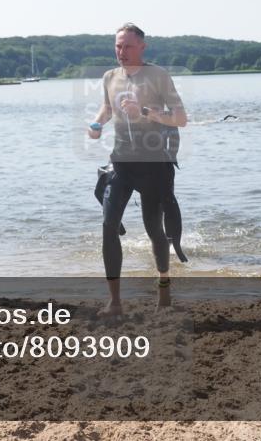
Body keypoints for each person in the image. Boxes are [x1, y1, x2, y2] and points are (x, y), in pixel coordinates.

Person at [87, 23, 188, 317]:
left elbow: (180, 118)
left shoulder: (158, 76)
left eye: (128, 46)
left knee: (154, 229)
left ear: (142, 47)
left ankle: (164, 290)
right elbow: (107, 108)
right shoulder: (110, 77)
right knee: (108, 226)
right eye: (118, 46)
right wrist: (96, 124)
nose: (122, 52)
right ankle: (115, 302)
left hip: (155, 164)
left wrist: (145, 112)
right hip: (121, 162)